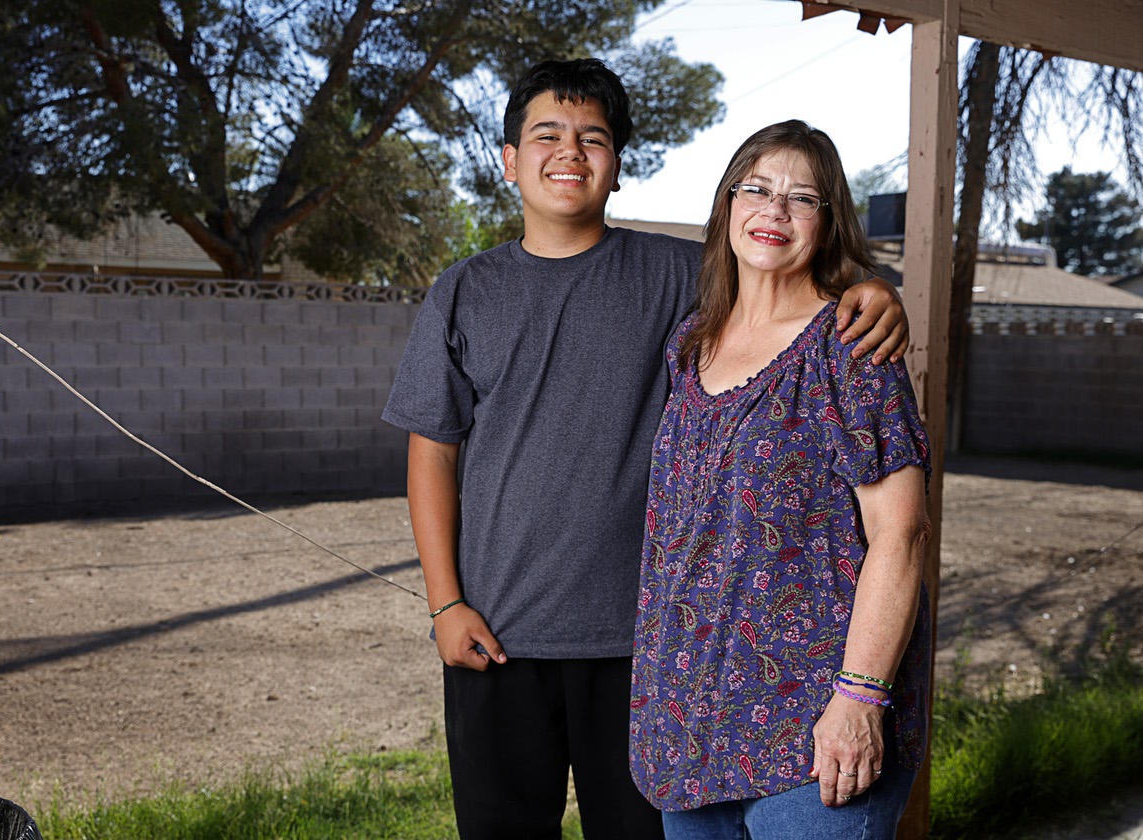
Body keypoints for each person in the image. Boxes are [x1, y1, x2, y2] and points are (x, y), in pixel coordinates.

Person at [382, 60, 910, 840]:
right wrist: (445, 602)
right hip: (496, 636)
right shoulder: (464, 291)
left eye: (593, 138)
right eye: (546, 135)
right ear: (508, 160)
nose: (570, 152)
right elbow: (432, 452)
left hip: (650, 650)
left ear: (618, 165)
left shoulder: (677, 278)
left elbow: (784, 280)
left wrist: (875, 286)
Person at [628, 118, 932, 840]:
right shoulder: (691, 341)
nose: (775, 211)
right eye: (757, 189)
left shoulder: (852, 344)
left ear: (828, 224)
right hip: (689, 721)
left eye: (803, 198)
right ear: (727, 203)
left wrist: (860, 701)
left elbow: (903, 532)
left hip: (815, 726)